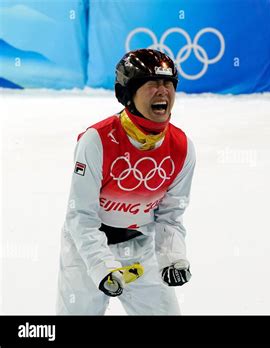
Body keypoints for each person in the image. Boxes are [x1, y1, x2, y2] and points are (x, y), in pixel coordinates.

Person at [56, 49, 195, 315]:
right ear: (126, 94)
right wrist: (101, 267)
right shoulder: (96, 141)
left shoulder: (182, 147)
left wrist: (173, 258)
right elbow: (80, 216)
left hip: (141, 248)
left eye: (168, 83)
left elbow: (171, 216)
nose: (163, 91)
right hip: (86, 250)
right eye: (152, 83)